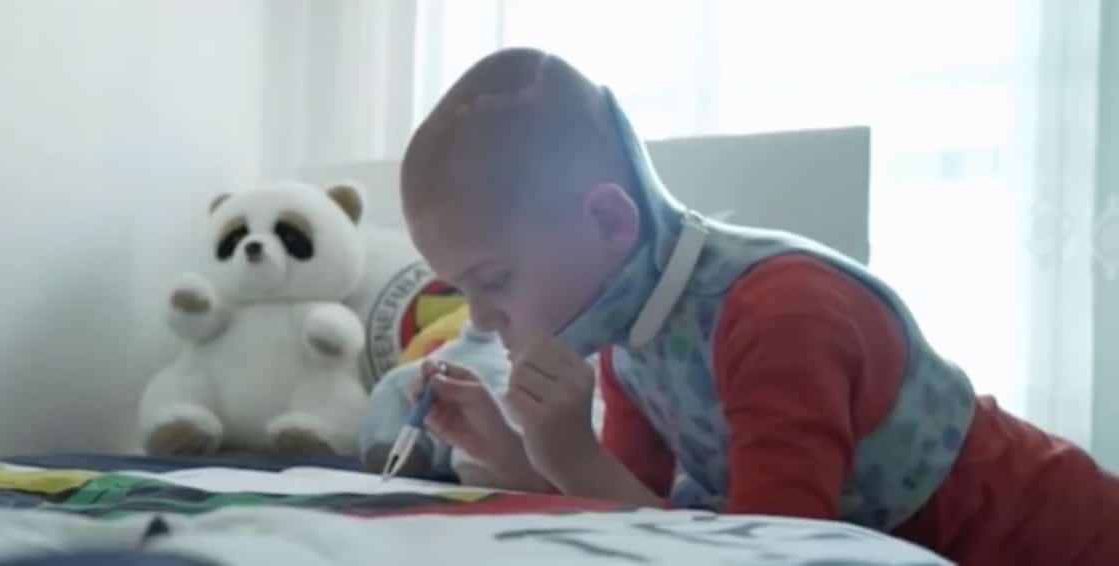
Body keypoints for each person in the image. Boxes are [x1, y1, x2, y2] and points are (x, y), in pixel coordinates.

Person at [399, 47, 1119, 565]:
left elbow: (772, 548)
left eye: (495, 280)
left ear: (610, 222)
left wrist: (575, 456)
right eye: (464, 290)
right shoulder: (632, 342)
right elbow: (635, 522)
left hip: (1068, 537)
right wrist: (514, 451)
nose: (481, 320)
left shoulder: (782, 312)